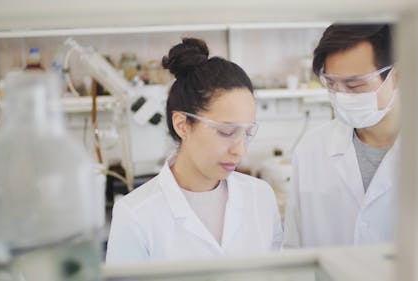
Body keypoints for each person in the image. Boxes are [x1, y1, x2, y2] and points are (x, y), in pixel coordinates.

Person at [106, 38, 282, 263]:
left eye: (247, 132)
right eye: (226, 131)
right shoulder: (135, 215)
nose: (239, 150)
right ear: (182, 125)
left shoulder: (260, 197)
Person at [284, 24, 399, 247]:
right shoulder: (312, 149)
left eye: (354, 85)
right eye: (332, 85)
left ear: (398, 76)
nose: (341, 96)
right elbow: (293, 247)